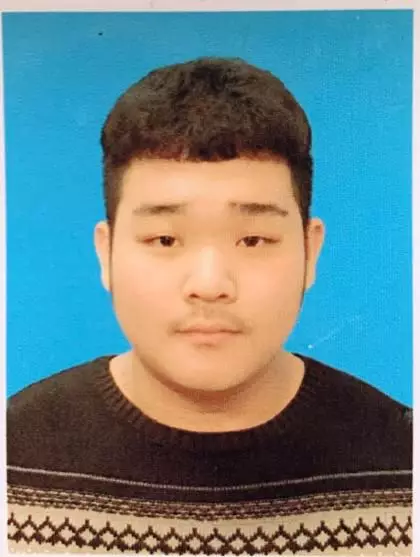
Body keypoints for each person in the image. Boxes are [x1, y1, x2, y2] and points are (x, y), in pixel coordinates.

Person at [7, 56, 412, 555]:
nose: (210, 284)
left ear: (310, 252)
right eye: (164, 239)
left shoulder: (403, 462)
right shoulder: (14, 456)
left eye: (253, 240)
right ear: (105, 253)